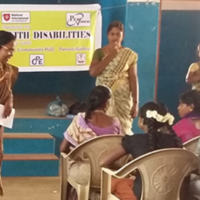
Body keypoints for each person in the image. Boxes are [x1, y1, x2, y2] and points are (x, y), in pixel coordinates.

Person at [100, 102, 182, 200]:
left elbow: (103, 162)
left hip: (141, 195)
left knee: (113, 182)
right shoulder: (175, 141)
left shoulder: (134, 140)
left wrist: (127, 167)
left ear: (142, 121)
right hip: (172, 194)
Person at [60, 85, 121, 200]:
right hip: (108, 173)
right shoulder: (115, 122)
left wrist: (78, 156)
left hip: (85, 173)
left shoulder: (80, 119)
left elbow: (63, 148)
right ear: (106, 102)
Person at [89, 21, 139, 136]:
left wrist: (136, 103)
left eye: (118, 34)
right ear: (107, 35)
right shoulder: (100, 52)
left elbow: (133, 79)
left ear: (123, 36)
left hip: (123, 98)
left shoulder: (129, 55)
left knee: (123, 129)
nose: (115, 37)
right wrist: (111, 55)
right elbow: (93, 72)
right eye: (112, 34)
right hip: (104, 98)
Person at [0, 30, 18, 196]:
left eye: (13, 50)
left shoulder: (9, 70)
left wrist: (8, 101)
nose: (11, 53)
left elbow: (8, 90)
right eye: (9, 49)